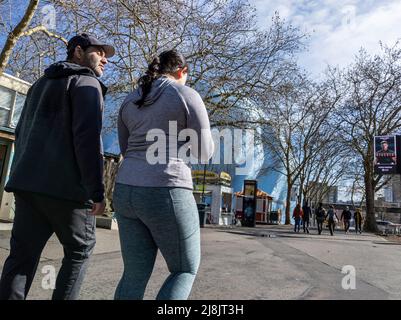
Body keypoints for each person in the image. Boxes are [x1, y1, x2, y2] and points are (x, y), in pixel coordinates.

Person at [0, 34, 114, 300]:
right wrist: (96, 192)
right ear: (78, 52)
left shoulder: (39, 84)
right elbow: (87, 139)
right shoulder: (87, 83)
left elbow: (21, 131)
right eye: (99, 52)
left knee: (21, 258)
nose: (105, 59)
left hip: (28, 186)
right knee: (79, 251)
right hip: (67, 191)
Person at [113, 49, 214, 300]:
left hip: (125, 190)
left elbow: (126, 148)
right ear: (182, 71)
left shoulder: (129, 100)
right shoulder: (186, 95)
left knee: (134, 273)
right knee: (184, 269)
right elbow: (204, 153)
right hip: (167, 189)